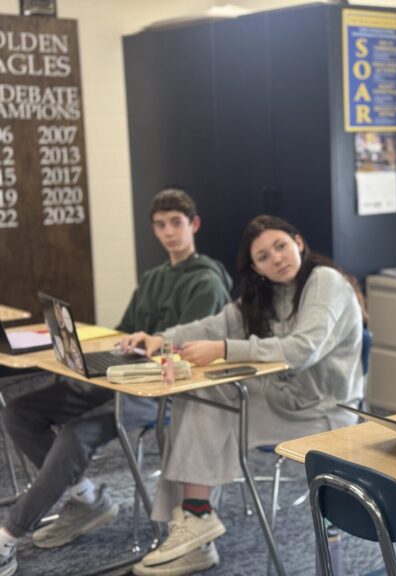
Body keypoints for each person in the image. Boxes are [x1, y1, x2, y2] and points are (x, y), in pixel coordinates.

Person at [0, 189, 233, 576]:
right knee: (22, 411)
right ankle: (85, 497)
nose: (168, 233)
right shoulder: (154, 277)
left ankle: (8, 534)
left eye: (176, 223)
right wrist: (111, 347)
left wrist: (143, 348)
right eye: (160, 225)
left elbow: (191, 348)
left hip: (165, 390)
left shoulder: (206, 281)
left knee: (76, 434)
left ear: (193, 225)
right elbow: (124, 330)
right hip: (123, 375)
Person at [122, 215, 364, 576]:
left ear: (298, 242)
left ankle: (196, 523)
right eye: (264, 256)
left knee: (211, 404)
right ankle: (195, 522)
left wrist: (223, 349)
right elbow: (213, 324)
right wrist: (163, 339)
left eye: (280, 246)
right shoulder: (264, 294)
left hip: (323, 413)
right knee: (201, 395)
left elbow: (302, 350)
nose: (276, 258)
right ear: (256, 267)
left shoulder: (325, 281)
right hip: (282, 398)